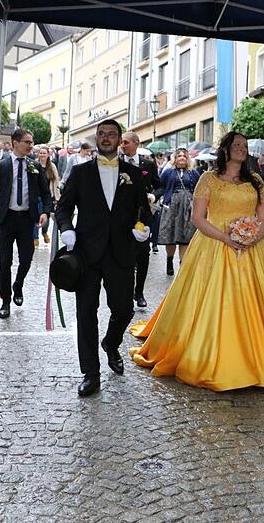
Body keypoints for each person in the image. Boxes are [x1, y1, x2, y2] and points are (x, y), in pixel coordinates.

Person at [130, 131, 264, 390]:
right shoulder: (208, 179)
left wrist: (252, 238)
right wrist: (227, 239)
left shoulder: (256, 181)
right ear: (225, 149)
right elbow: (198, 218)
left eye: (244, 146)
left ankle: (257, 358)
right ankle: (206, 355)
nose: (241, 149)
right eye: (236, 145)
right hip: (213, 245)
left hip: (252, 249)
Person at [57, 119, 151, 397]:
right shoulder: (80, 172)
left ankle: (111, 343)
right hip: (86, 254)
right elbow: (63, 208)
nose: (106, 138)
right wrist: (67, 230)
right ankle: (91, 373)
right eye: (101, 134)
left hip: (121, 253)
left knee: (123, 309)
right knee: (86, 313)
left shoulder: (133, 174)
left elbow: (143, 210)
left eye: (111, 134)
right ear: (96, 139)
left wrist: (142, 228)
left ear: (120, 140)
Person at [0, 128, 53, 319]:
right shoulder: (2, 166)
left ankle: (18, 284)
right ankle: (6, 302)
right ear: (15, 143)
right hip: (6, 220)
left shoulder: (35, 167)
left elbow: (46, 194)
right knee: (4, 262)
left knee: (27, 259)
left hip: (26, 220)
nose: (31, 146)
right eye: (27, 142)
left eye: (32, 142)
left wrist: (45, 212)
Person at [120, 131, 161, 308]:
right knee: (123, 255)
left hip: (142, 216)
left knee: (143, 255)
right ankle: (125, 292)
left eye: (126, 142)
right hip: (121, 216)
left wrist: (153, 195)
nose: (123, 145)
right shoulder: (117, 164)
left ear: (136, 143)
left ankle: (139, 292)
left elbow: (159, 186)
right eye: (121, 143)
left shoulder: (148, 165)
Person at [158, 147, 200, 275]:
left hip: (188, 207)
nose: (182, 158)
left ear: (188, 159)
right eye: (179, 156)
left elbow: (199, 189)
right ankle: (169, 260)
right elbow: (160, 186)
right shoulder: (168, 172)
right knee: (170, 235)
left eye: (184, 156)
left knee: (186, 235)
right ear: (174, 159)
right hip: (171, 206)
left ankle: (183, 264)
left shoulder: (194, 173)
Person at [30, 146, 57, 247]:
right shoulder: (34, 165)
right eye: (40, 153)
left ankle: (44, 232)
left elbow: (55, 182)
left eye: (44, 153)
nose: (42, 155)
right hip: (36, 195)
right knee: (36, 217)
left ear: (48, 155)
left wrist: (56, 197)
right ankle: (35, 238)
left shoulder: (52, 166)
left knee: (46, 218)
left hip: (48, 196)